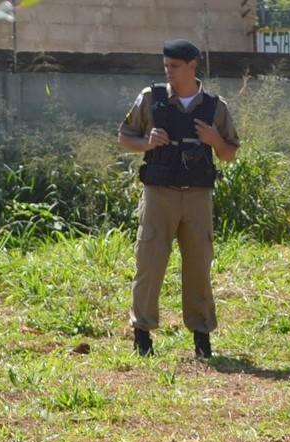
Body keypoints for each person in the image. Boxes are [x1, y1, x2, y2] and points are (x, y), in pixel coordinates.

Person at [117, 38, 240, 358]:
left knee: (199, 266)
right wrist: (147, 142)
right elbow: (124, 137)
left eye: (174, 66)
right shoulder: (151, 99)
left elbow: (229, 154)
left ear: (192, 66)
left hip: (198, 196)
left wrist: (214, 140)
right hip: (159, 194)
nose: (168, 71)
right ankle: (142, 334)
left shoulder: (215, 106)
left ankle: (201, 337)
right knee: (150, 264)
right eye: (166, 66)